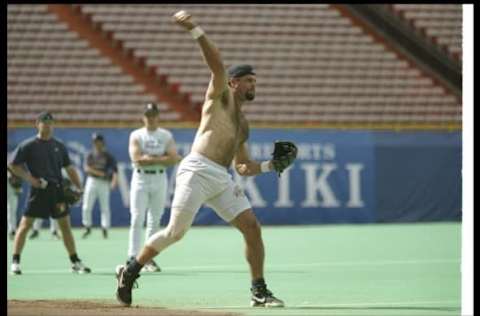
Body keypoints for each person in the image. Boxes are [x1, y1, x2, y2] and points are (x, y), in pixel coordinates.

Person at [115, 11, 296, 308]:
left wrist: (268, 166)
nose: (254, 86)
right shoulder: (220, 97)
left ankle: (258, 290)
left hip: (221, 178)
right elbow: (216, 64)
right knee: (176, 232)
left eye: (255, 81)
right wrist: (195, 30)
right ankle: (130, 269)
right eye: (249, 81)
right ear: (234, 83)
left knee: (252, 227)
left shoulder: (244, 124)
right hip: (197, 169)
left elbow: (241, 166)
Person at [8, 111, 91, 275]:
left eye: (50, 122)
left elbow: (69, 168)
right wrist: (29, 179)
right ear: (37, 124)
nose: (47, 124)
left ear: (53, 125)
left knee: (65, 227)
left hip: (57, 191)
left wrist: (79, 187)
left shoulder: (59, 146)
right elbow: (13, 164)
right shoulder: (29, 145)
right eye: (43, 121)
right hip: (38, 191)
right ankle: (15, 261)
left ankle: (75, 261)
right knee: (25, 226)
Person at [124, 102, 182, 273]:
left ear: (158, 116)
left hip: (159, 177)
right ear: (143, 117)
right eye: (147, 115)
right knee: (136, 217)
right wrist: (161, 157)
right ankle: (133, 255)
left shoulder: (165, 135)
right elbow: (137, 159)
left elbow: (174, 158)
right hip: (141, 178)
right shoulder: (137, 134)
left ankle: (147, 258)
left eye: (153, 115)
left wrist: (151, 157)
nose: (151, 118)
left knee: (155, 219)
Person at [81, 132, 118, 239]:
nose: (96, 143)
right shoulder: (90, 154)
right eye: (95, 141)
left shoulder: (108, 156)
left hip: (104, 183)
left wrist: (114, 181)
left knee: (105, 207)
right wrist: (101, 173)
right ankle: (87, 226)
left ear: (102, 142)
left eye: (98, 141)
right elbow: (87, 168)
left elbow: (115, 170)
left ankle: (105, 228)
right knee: (87, 206)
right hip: (92, 181)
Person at [7, 165, 22, 240]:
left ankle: (12, 230)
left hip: (11, 184)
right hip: (11, 181)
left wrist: (18, 186)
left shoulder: (14, 155)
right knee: (11, 210)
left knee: (12, 209)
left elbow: (18, 170)